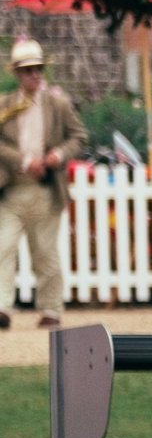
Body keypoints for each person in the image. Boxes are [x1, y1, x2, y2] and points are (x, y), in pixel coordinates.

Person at [0, 34, 89, 330]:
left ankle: (50, 309)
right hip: (12, 190)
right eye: (27, 70)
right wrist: (24, 161)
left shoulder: (57, 104)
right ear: (17, 73)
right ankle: (2, 307)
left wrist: (58, 155)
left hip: (46, 190)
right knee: (3, 247)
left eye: (38, 69)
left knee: (45, 253)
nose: (34, 74)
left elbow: (79, 136)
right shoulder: (4, 104)